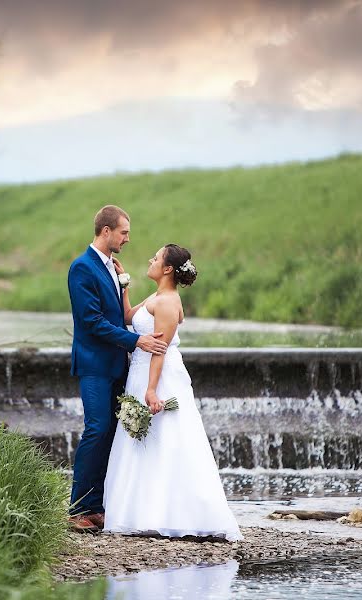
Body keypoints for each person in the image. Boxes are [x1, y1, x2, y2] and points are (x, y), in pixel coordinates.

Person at [103, 244, 242, 541]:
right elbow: (128, 318)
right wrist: (123, 281)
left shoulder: (167, 302)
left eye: (156, 258)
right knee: (144, 442)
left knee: (167, 439)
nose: (150, 260)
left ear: (167, 269)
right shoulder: (156, 296)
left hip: (160, 376)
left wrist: (152, 390)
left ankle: (173, 513)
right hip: (141, 373)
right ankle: (138, 510)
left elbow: (160, 350)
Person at [67, 205, 169, 532]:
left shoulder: (112, 266)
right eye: (123, 232)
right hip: (95, 364)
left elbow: (118, 313)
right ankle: (77, 509)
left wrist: (124, 284)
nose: (127, 238)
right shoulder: (81, 267)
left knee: (112, 433)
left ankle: (97, 507)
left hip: (117, 365)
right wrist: (136, 341)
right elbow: (92, 321)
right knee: (97, 428)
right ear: (106, 231)